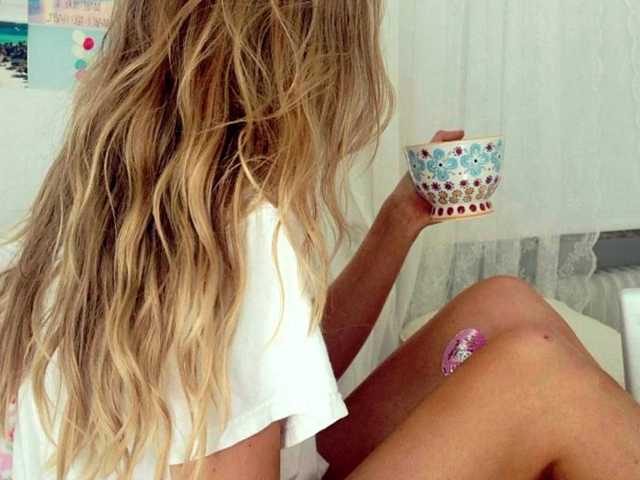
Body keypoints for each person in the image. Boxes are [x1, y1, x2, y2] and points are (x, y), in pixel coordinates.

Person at [0, 1, 639, 479]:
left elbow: (267, 383)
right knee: (541, 378)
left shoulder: (101, 194)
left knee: (503, 304)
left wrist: (399, 220)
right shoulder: (242, 230)